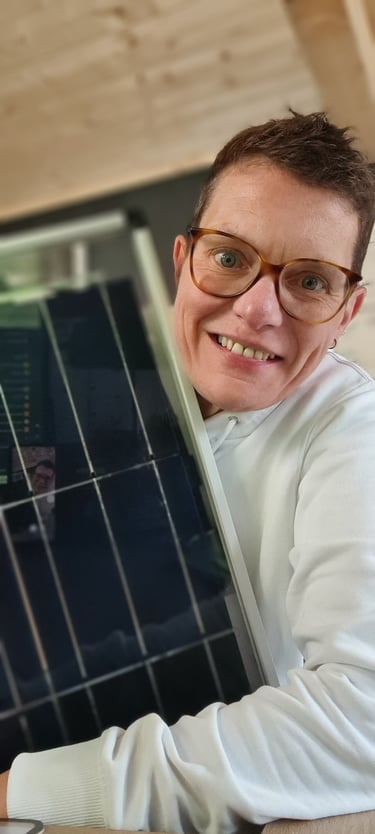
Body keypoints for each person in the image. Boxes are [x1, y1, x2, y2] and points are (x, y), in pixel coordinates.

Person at [1, 111, 375, 832]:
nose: (258, 309)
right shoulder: (106, 392)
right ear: (182, 260)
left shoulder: (354, 433)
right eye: (230, 258)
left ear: (347, 311)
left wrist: (26, 788)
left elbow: (364, 720)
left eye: (308, 280)